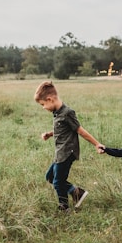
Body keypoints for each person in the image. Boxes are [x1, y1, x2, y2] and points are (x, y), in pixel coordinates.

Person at [34, 81, 102, 212]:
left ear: (50, 99)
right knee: (50, 177)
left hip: (67, 152)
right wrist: (50, 134)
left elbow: (80, 131)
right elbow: (64, 129)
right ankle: (76, 192)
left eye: (43, 104)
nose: (43, 107)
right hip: (60, 153)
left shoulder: (67, 112)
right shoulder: (58, 113)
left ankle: (64, 207)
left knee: (58, 181)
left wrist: (97, 144)